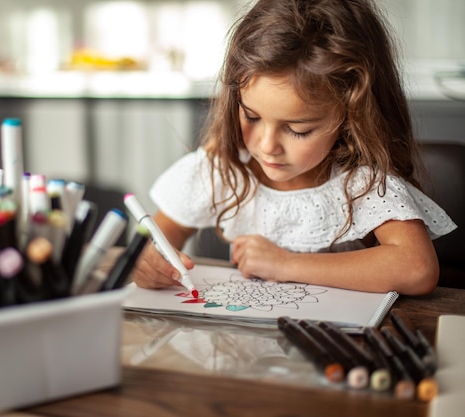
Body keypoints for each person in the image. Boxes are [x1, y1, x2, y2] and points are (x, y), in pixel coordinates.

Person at [131, 0, 457, 296]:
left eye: (298, 130)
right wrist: (146, 260)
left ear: (351, 115)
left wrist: (285, 265)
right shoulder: (223, 168)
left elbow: (417, 269)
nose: (267, 146)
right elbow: (158, 234)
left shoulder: (362, 182)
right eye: (252, 116)